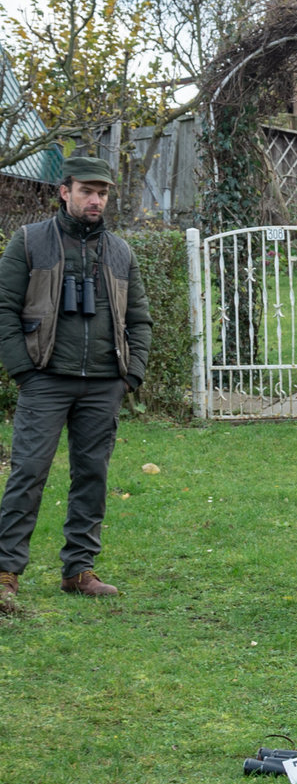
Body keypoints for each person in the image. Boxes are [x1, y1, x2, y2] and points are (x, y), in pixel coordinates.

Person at [0, 155, 152, 613]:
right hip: (45, 379)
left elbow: (140, 319)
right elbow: (4, 309)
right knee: (27, 473)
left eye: (103, 193)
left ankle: (79, 570)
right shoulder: (28, 242)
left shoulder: (121, 251)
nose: (96, 200)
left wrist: (132, 374)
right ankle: (6, 571)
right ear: (64, 191)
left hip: (104, 382)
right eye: (87, 191)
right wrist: (23, 371)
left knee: (92, 476)